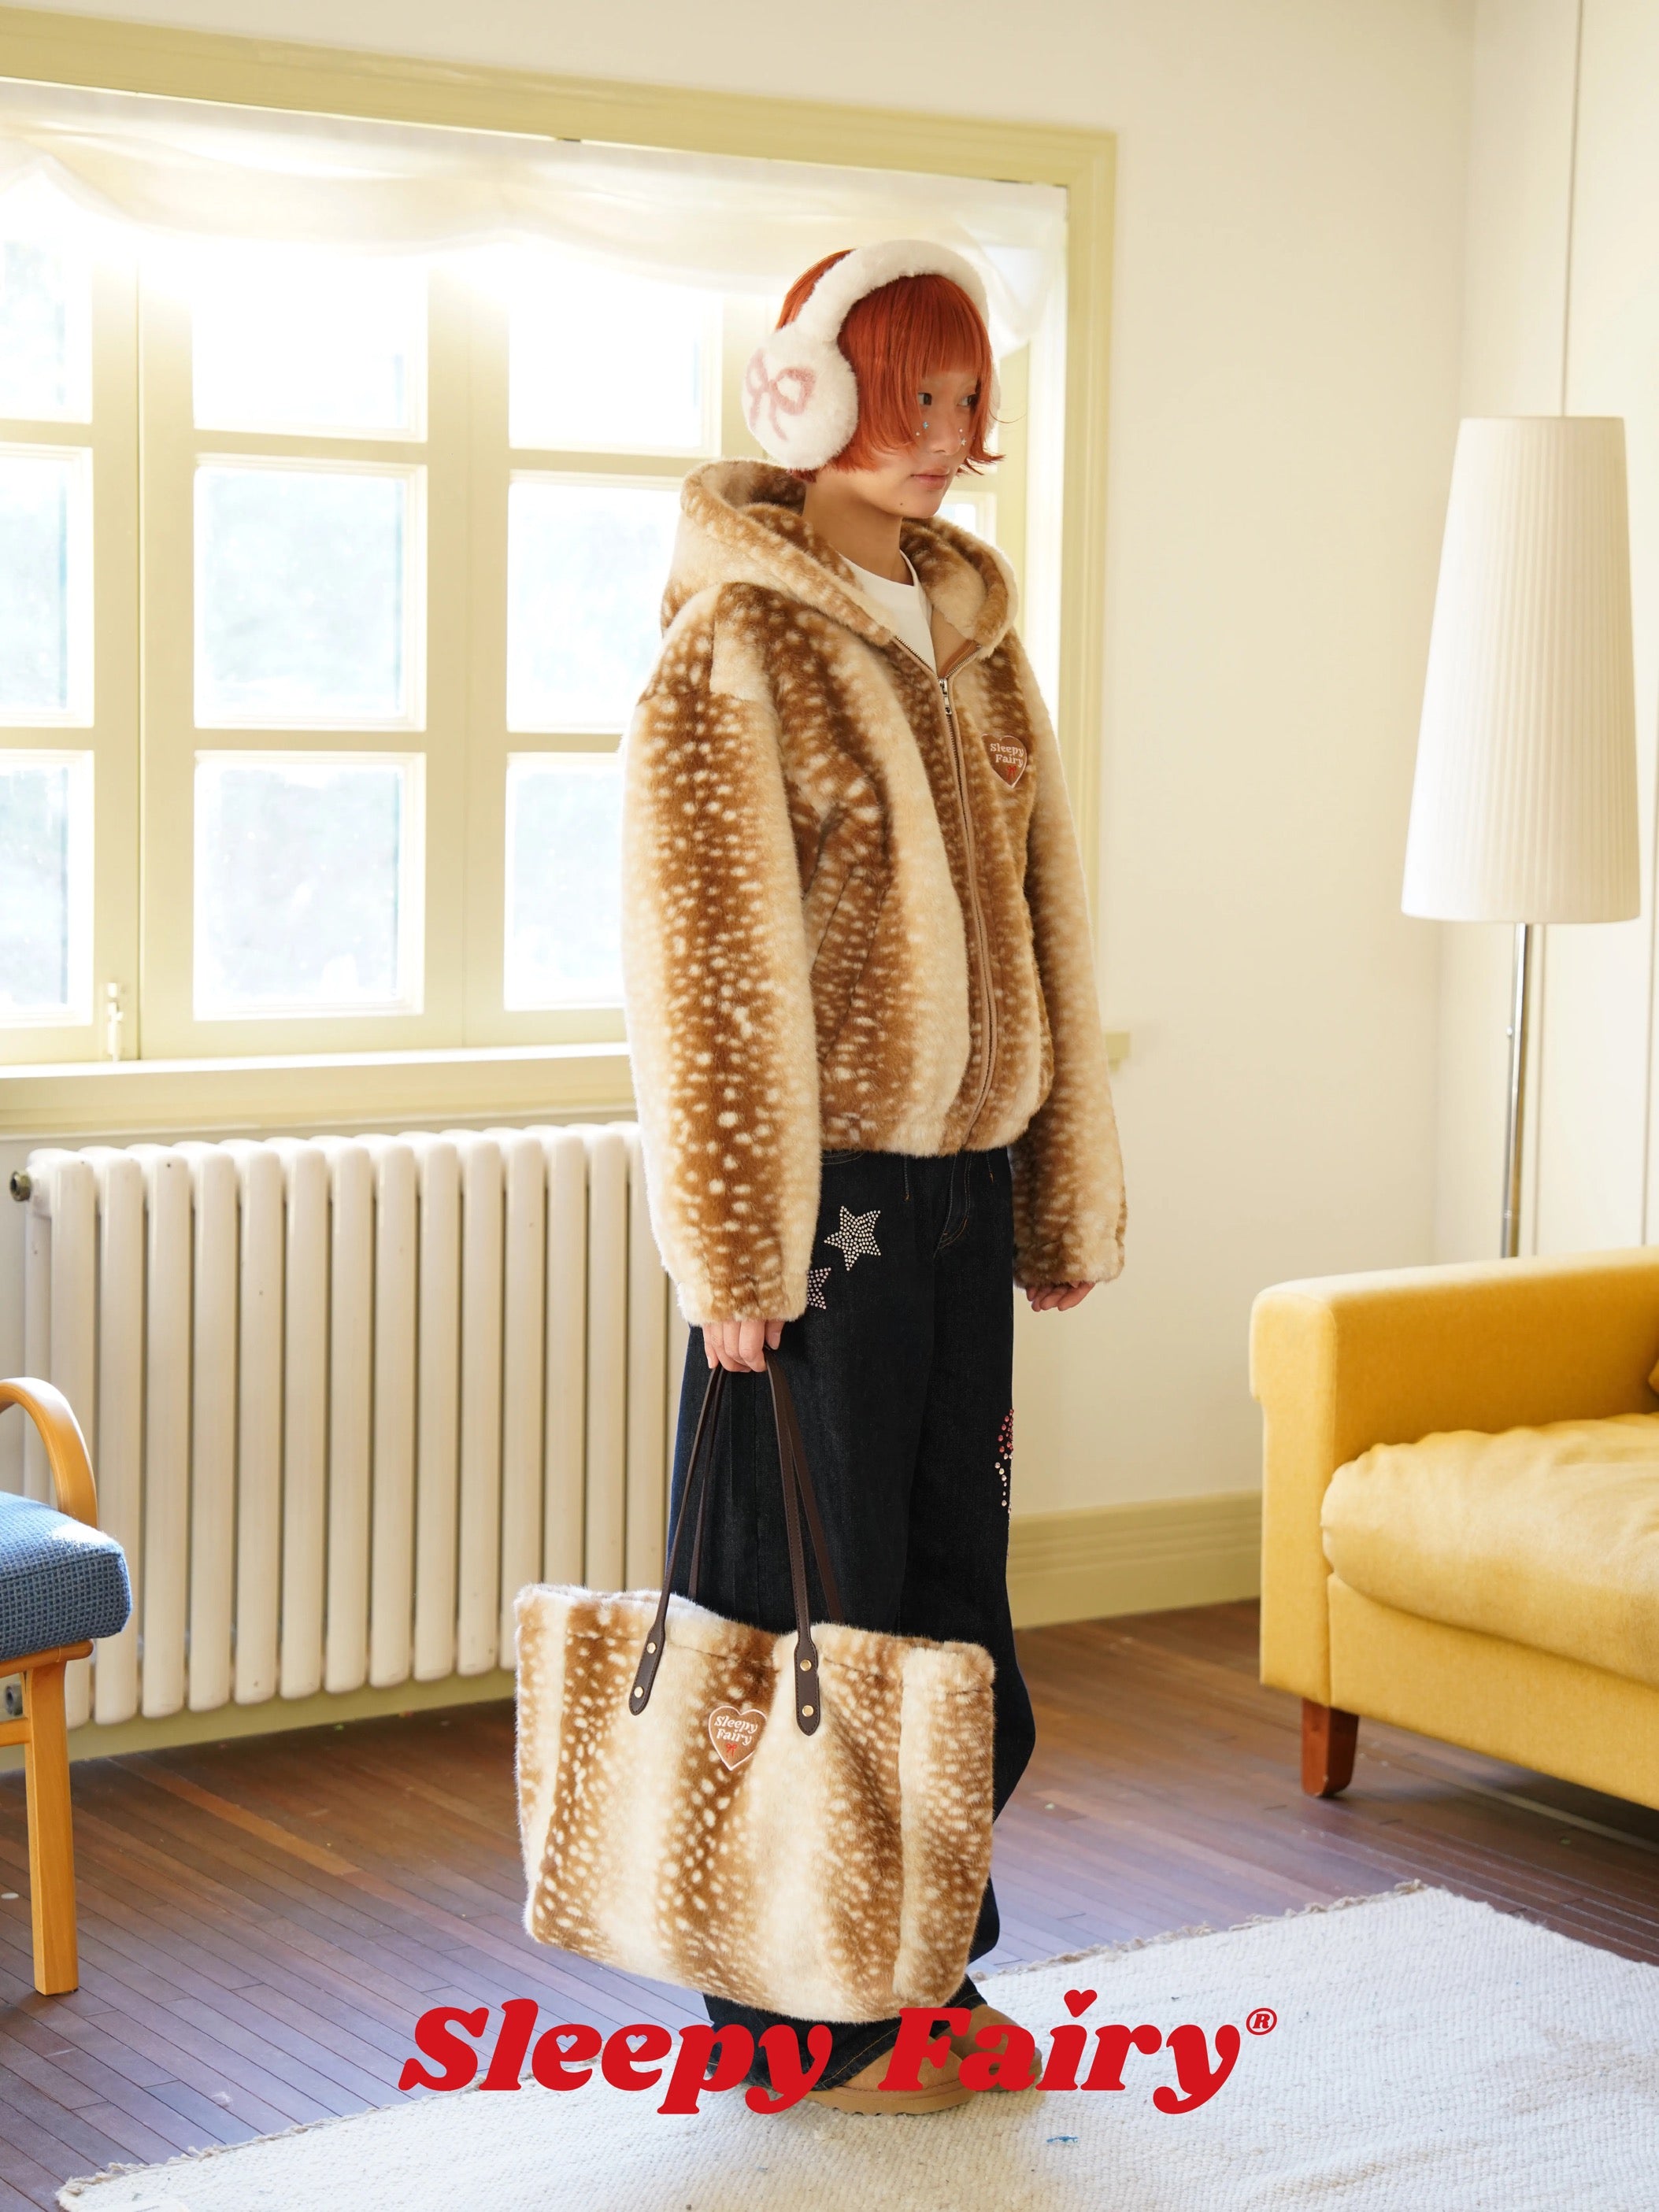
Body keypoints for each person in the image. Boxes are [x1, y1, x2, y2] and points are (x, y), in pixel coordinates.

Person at [620, 239, 1125, 2113]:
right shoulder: (733, 645)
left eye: (961, 396)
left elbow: (1048, 920)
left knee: (943, 1603)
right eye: (907, 393)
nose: (939, 433)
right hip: (809, 1207)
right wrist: (732, 1250)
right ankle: (790, 2014)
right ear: (809, 394)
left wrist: (1056, 1184)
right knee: (801, 1608)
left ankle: (924, 1970)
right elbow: (703, 969)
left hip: (961, 1196)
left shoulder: (973, 630)